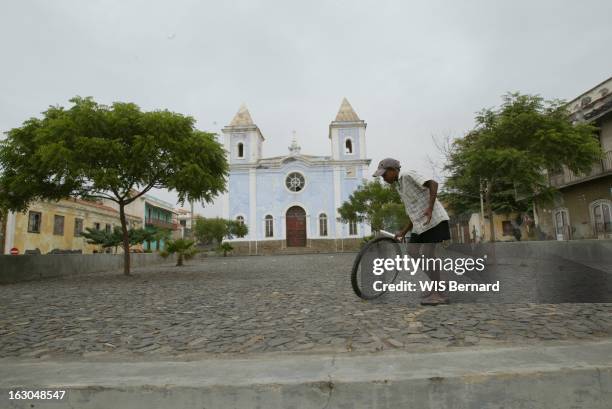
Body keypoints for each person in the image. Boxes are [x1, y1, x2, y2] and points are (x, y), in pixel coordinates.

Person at [373, 158, 451, 305]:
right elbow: (413, 211)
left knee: (428, 254)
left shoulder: (408, 175)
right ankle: (438, 284)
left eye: (384, 175)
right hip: (420, 225)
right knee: (412, 251)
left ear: (393, 170)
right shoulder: (399, 187)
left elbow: (433, 184)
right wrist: (403, 231)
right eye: (381, 176)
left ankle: (439, 294)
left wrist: (430, 207)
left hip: (434, 220)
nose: (383, 178)